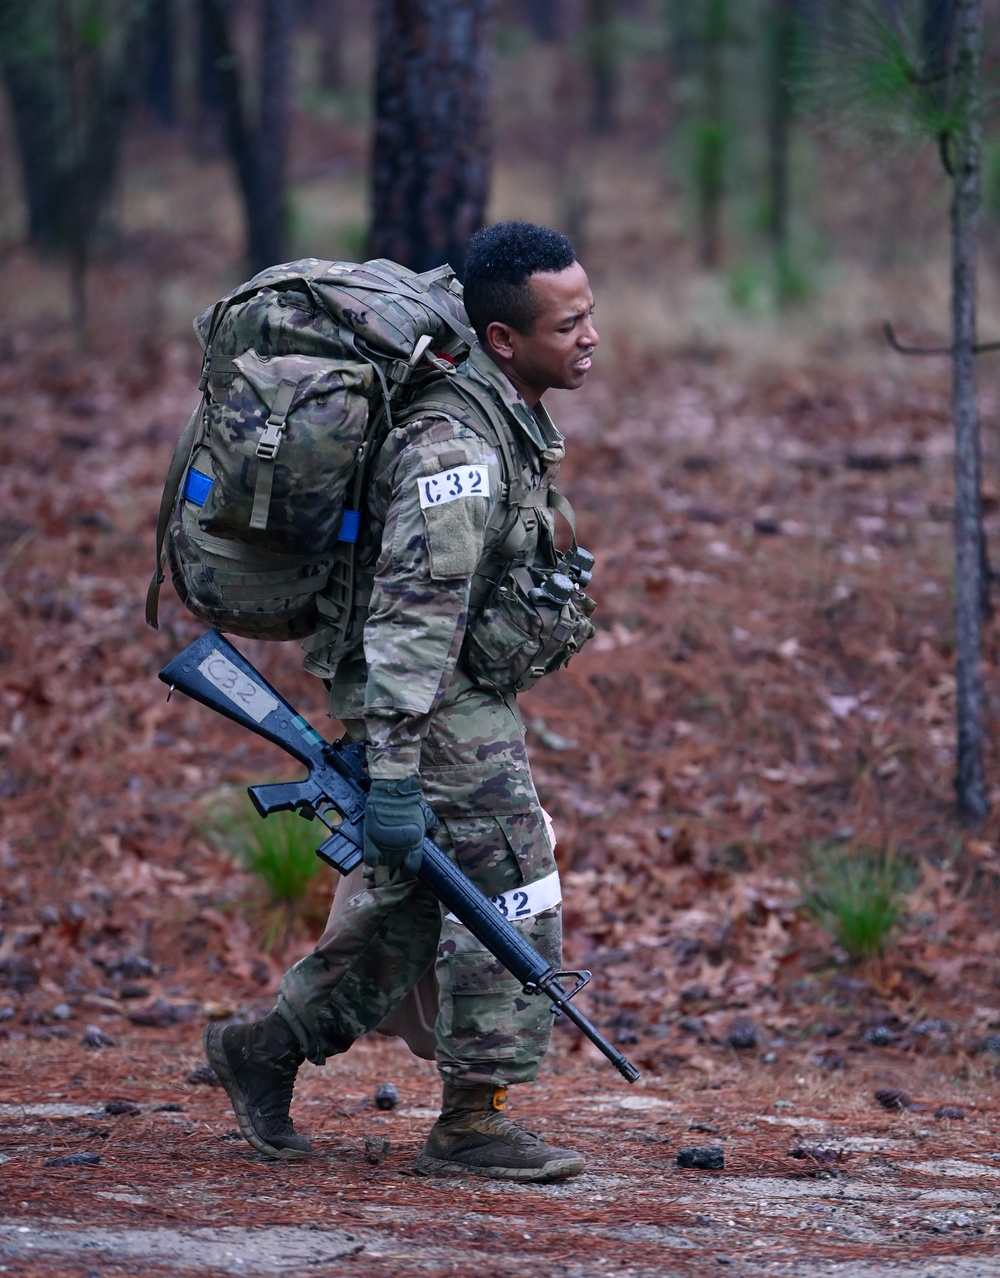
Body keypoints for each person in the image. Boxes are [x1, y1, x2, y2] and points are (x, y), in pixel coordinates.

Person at [204, 220, 600, 1183]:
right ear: (505, 339)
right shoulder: (451, 442)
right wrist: (390, 769)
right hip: (430, 702)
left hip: (448, 694)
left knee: (408, 905)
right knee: (512, 878)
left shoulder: (500, 405)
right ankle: (473, 1121)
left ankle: (265, 1051)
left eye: (591, 315)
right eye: (568, 324)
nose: (591, 337)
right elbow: (413, 616)